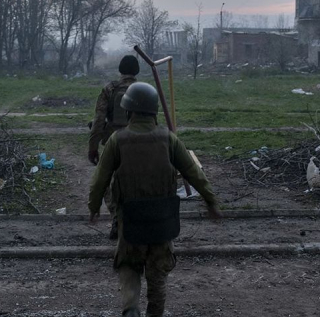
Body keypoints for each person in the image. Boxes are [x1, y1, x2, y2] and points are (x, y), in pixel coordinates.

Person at [88, 82, 222, 317]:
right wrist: (211, 201)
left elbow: (100, 178)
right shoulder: (168, 140)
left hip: (131, 220)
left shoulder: (117, 140)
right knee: (158, 275)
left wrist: (94, 206)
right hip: (162, 221)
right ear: (154, 112)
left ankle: (130, 308)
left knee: (128, 267)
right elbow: (194, 172)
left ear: (128, 111)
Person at [88, 55, 140, 239]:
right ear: (137, 71)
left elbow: (98, 121)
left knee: (106, 182)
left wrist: (93, 148)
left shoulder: (110, 89)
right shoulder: (143, 90)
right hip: (139, 143)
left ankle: (117, 217)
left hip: (114, 143)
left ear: (120, 70)